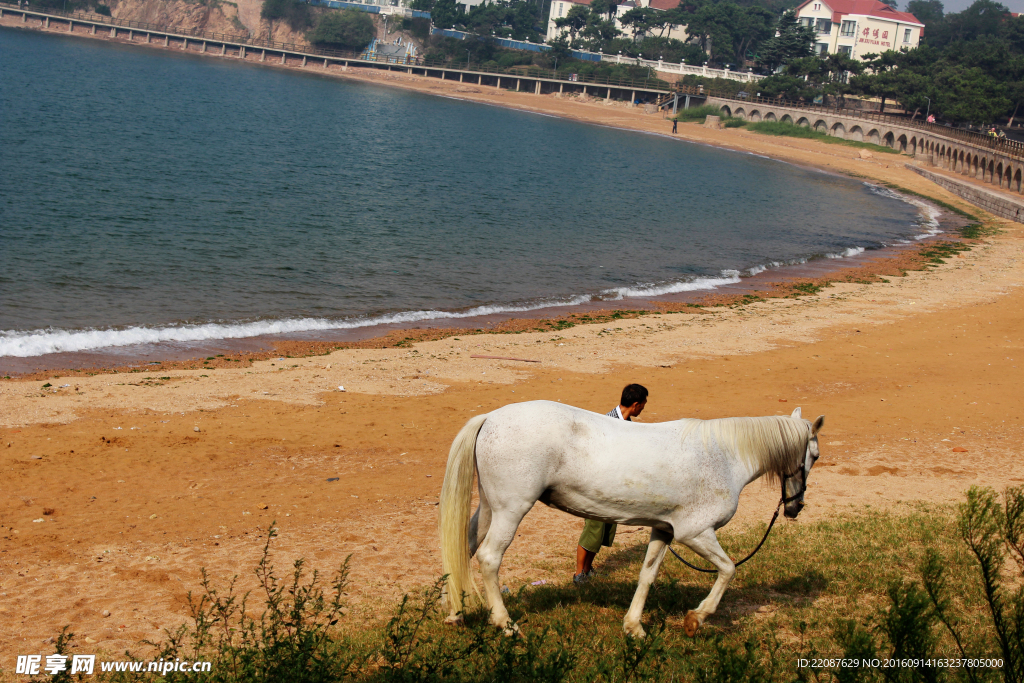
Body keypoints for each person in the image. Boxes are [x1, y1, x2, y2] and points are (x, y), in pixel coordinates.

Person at [573, 383, 649, 584]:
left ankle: (587, 571)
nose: (643, 408)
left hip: (613, 487)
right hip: (597, 487)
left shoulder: (628, 425)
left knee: (603, 531)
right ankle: (578, 573)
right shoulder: (605, 423)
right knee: (592, 531)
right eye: (643, 404)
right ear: (635, 404)